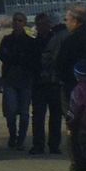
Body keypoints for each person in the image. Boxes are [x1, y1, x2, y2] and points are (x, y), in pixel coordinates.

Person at [29, 13, 67, 156]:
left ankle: (52, 145)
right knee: (39, 116)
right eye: (39, 24)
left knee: (54, 116)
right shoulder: (35, 42)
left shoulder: (54, 39)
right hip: (41, 83)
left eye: (44, 24)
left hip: (53, 82)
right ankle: (39, 144)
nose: (42, 27)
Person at [0, 14, 38, 149]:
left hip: (25, 79)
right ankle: (13, 135)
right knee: (11, 111)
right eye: (15, 20)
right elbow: (3, 55)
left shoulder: (30, 41)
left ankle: (20, 138)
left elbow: (32, 60)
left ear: (24, 23)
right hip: (10, 78)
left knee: (24, 112)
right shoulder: (7, 39)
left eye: (20, 20)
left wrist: (16, 57)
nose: (17, 23)